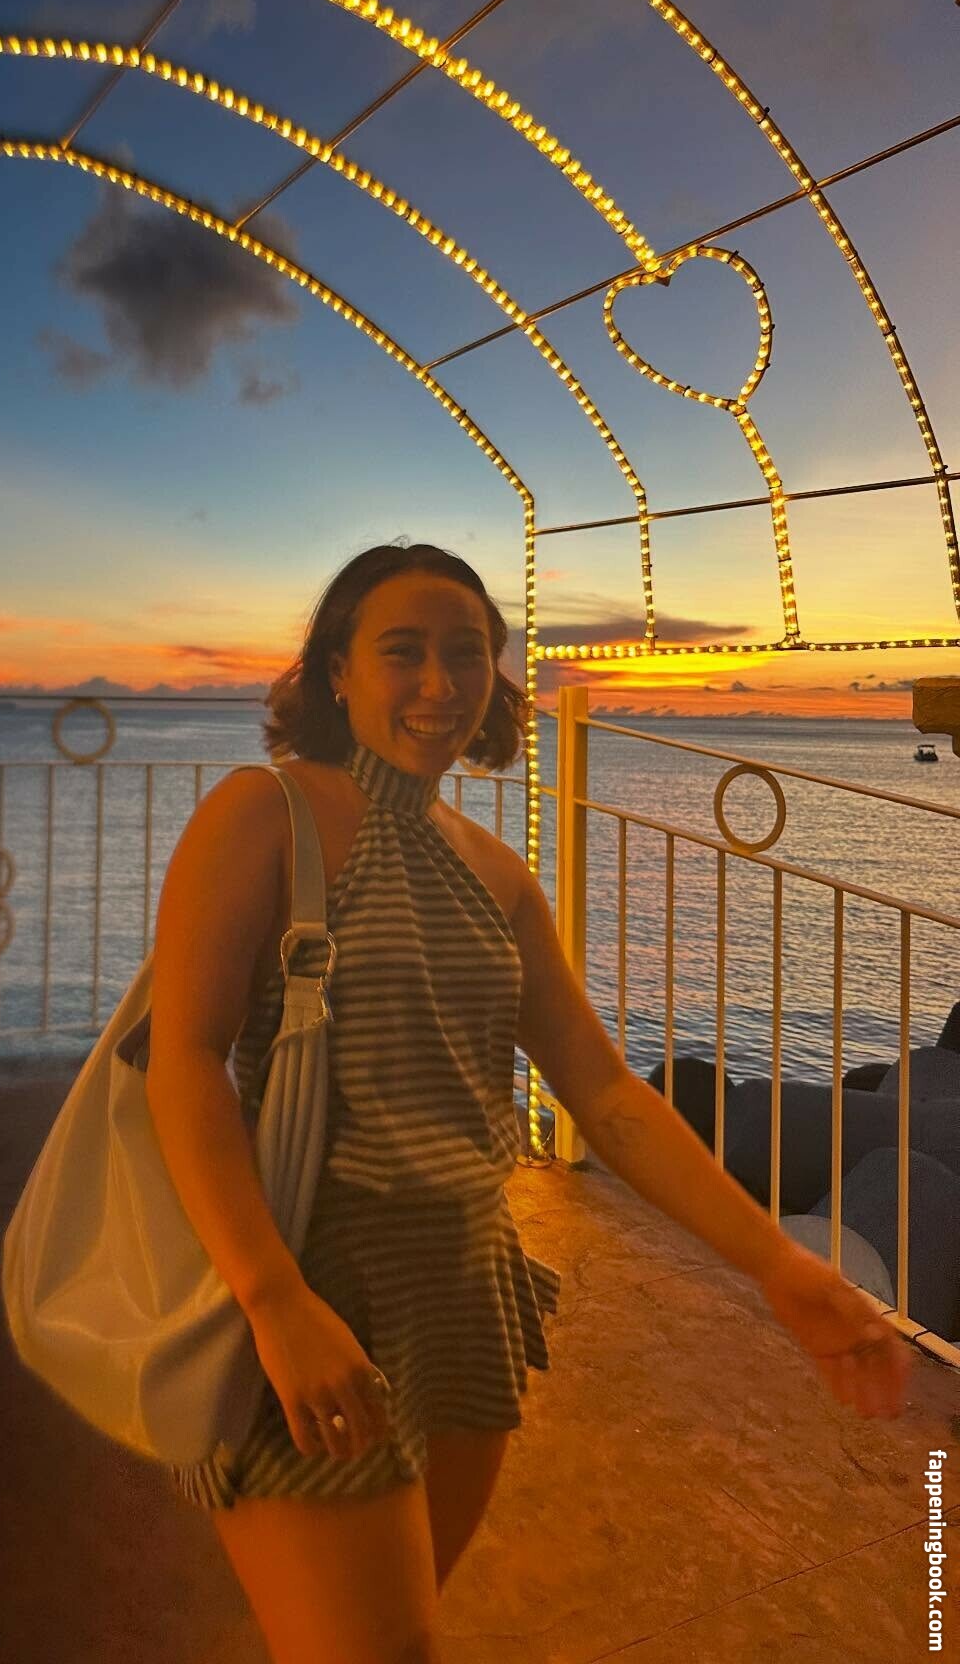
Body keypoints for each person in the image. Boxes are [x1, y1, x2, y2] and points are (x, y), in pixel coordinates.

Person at [145, 541, 909, 1664]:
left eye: (467, 654)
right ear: (336, 672)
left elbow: (606, 1096)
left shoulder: (496, 871)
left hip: (469, 1298)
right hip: (318, 1290)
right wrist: (272, 1297)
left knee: (396, 1625)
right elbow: (183, 1061)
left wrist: (782, 1267)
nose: (440, 683)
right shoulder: (264, 813)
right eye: (403, 651)